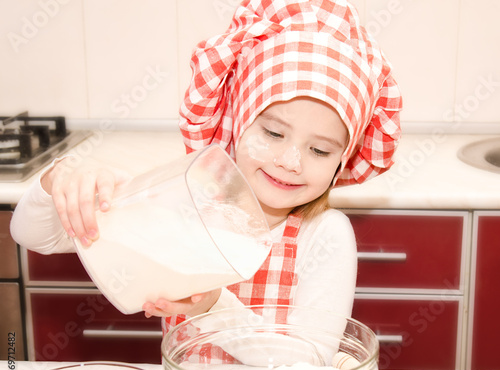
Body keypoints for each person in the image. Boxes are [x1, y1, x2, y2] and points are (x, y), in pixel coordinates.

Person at [10, 0, 402, 334]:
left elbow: (309, 361)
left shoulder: (325, 235)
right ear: (237, 122)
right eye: (273, 133)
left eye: (319, 150)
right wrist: (59, 181)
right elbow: (34, 236)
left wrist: (214, 307)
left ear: (341, 163)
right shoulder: (183, 201)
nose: (290, 162)